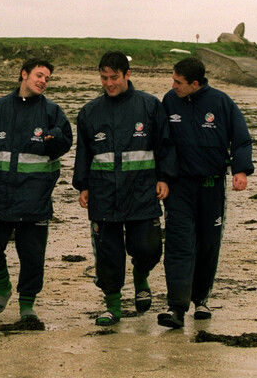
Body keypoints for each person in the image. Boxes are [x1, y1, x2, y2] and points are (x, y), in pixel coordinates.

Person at [73, 51, 176, 326]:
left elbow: (165, 146)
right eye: (104, 78)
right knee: (108, 254)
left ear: (127, 74)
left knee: (148, 248)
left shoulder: (150, 106)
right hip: (103, 194)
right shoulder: (90, 112)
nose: (108, 83)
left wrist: (164, 177)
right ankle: (113, 305)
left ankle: (141, 276)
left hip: (142, 191)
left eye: (114, 77)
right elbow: (84, 153)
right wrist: (83, 185)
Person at [157, 57, 254, 329]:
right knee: (178, 245)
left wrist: (240, 170)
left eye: (178, 82)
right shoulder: (170, 101)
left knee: (207, 245)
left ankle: (201, 299)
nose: (173, 86)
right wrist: (162, 177)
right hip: (179, 187)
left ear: (195, 83)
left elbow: (242, 139)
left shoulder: (221, 103)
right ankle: (176, 308)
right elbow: (162, 143)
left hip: (211, 187)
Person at [0, 58, 72, 322]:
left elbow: (65, 143)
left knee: (32, 257)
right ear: (24, 74)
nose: (43, 81)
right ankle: (3, 284)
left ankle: (27, 304)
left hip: (35, 199)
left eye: (47, 78)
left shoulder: (52, 111)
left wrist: (54, 140)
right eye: (39, 75)